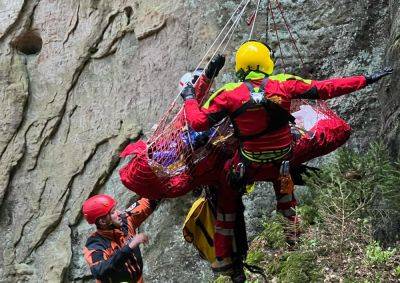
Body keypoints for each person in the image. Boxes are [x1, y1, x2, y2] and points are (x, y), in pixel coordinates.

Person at [180, 40, 393, 273]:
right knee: (285, 185)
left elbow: (198, 122)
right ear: (266, 63)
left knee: (226, 195)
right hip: (283, 160)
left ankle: (223, 259)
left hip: (247, 165)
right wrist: (366, 79)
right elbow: (326, 88)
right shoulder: (283, 84)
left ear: (241, 67)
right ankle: (293, 240)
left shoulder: (228, 94)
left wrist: (190, 97)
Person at [82, 194, 158, 283]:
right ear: (102, 221)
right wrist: (130, 247)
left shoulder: (125, 221)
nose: (119, 212)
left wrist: (160, 189)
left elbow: (146, 203)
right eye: (113, 212)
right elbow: (99, 271)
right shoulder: (95, 244)